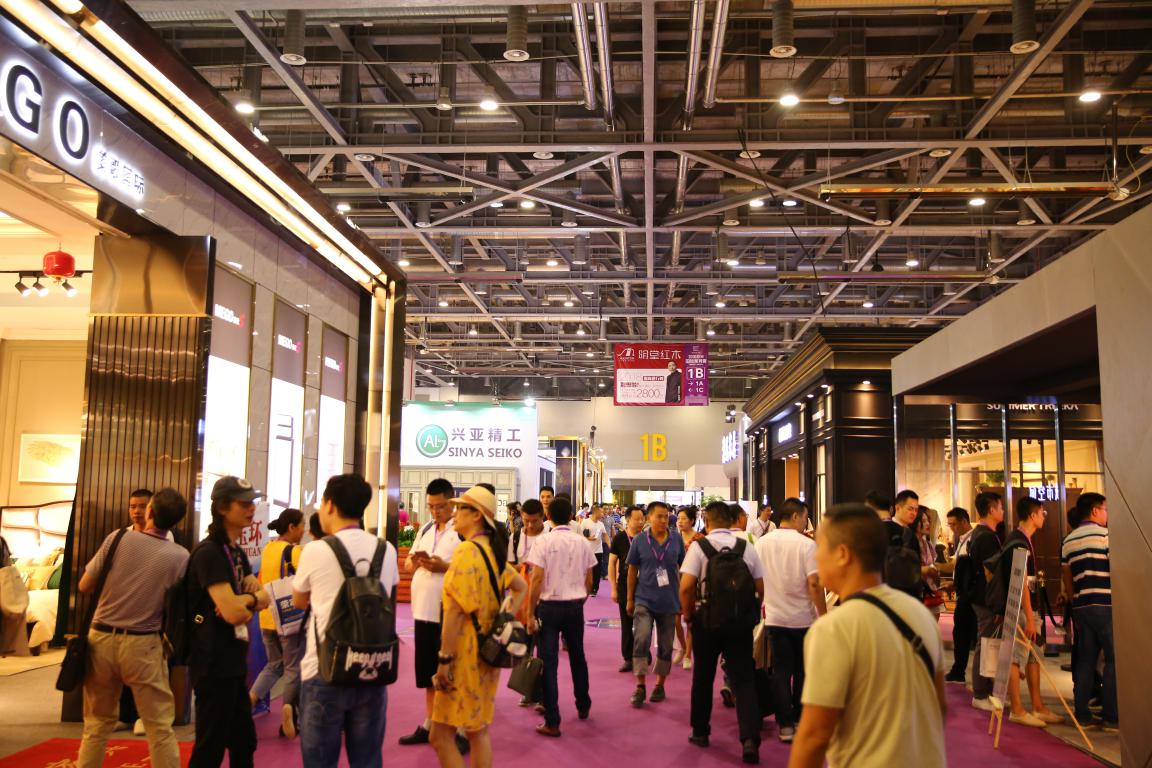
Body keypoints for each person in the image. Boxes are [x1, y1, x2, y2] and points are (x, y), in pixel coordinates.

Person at [789, 504, 946, 768]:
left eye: (820, 546)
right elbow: (939, 706)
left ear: (842, 554)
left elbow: (814, 737)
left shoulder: (834, 628)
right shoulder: (921, 615)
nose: (815, 556)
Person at [76, 488, 190, 768]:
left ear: (150, 511)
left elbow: (85, 585)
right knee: (159, 727)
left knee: (96, 724)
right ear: (176, 521)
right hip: (143, 644)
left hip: (101, 638)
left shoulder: (118, 538)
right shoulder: (180, 556)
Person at [291, 474, 399, 767]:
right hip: (372, 667)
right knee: (368, 760)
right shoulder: (386, 549)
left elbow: (299, 601)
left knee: (319, 761)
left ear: (329, 505)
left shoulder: (316, 549)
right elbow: (388, 598)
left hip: (324, 669)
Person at [429, 486, 527, 768]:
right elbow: (520, 586)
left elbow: (454, 612)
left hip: (464, 653)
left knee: (440, 736)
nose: (454, 514)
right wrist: (505, 614)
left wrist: (444, 660)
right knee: (477, 730)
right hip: (488, 650)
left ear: (477, 516)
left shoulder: (466, 551)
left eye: (461, 508)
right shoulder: (491, 552)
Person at [186, 476, 269, 768]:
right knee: (210, 747)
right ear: (222, 508)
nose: (251, 509)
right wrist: (249, 601)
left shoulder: (235, 552)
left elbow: (262, 597)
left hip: (233, 662)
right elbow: (235, 613)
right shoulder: (210, 553)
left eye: (252, 503)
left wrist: (245, 601)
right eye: (243, 504)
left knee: (244, 741)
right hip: (213, 664)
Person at [680, 500, 764, 764]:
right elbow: (760, 587)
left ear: (707, 521)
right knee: (744, 680)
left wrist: (689, 616)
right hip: (740, 624)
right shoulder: (746, 547)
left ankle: (700, 731)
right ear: (731, 520)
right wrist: (749, 612)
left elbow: (686, 587)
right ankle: (749, 739)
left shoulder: (699, 547)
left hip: (707, 622)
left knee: (703, 678)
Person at [396, 478, 468, 753]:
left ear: (452, 503)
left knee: (453, 672)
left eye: (440, 506)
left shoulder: (461, 532)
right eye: (431, 506)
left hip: (450, 613)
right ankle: (431, 724)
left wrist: (444, 567)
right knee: (428, 673)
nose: (435, 511)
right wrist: (414, 562)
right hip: (423, 611)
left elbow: (471, 569)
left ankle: (461, 729)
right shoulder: (425, 529)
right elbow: (408, 562)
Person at [755, 497, 827, 743]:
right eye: (805, 517)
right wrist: (823, 614)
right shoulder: (806, 545)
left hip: (775, 617)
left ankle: (784, 724)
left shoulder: (762, 544)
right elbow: (814, 583)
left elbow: (757, 581)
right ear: (795, 516)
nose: (806, 522)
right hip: (803, 619)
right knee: (802, 671)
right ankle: (798, 718)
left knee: (781, 671)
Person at [526, 497, 597, 737]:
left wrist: (530, 612)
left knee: (549, 663)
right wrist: (580, 600)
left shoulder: (543, 541)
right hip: (574, 606)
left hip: (548, 607)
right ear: (570, 516)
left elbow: (536, 579)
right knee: (578, 656)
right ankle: (583, 703)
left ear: (548, 517)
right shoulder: (582, 542)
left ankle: (553, 720)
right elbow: (589, 580)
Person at [1001, 496, 1063, 728]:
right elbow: (1021, 583)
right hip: (1020, 609)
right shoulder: (1018, 542)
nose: (1044, 517)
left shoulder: (1022, 539)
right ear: (1032, 515)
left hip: (1028, 609)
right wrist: (1028, 616)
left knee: (1033, 656)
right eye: (1042, 512)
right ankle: (1017, 709)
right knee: (1016, 657)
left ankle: (1038, 706)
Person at [1060, 492, 1117, 730]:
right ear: (1095, 510)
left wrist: (1075, 601)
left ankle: (1082, 715)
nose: (1107, 514)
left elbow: (1067, 577)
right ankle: (1111, 717)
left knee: (1085, 660)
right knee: (1113, 660)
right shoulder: (1106, 536)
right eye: (1105, 509)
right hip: (1106, 604)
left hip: (1082, 606)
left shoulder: (1068, 540)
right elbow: (1116, 570)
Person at [248, 508, 305, 738]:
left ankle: (251, 699)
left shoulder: (268, 548)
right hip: (289, 619)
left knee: (274, 665)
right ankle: (289, 713)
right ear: (291, 527)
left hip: (266, 617)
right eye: (301, 525)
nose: (303, 530)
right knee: (293, 668)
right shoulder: (294, 551)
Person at [626, 501, 684, 707]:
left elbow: (684, 569)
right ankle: (640, 686)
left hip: (669, 600)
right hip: (644, 598)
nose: (663, 520)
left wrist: (683, 597)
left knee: (666, 646)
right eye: (659, 516)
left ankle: (660, 684)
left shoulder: (676, 539)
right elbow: (632, 570)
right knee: (641, 638)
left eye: (666, 516)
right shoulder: (640, 540)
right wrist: (629, 599)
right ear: (649, 518)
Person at [968, 492, 1005, 712]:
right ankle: (980, 693)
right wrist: (997, 604)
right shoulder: (987, 537)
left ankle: (986, 691)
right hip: (986, 600)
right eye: (1000, 507)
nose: (1003, 511)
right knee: (986, 644)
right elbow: (991, 575)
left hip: (981, 598)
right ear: (991, 510)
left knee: (988, 643)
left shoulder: (979, 534)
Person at [510, 499, 546, 705]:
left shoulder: (549, 537)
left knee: (544, 648)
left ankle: (542, 695)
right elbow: (509, 566)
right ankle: (528, 690)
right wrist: (523, 567)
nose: (530, 525)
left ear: (542, 517)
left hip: (545, 599)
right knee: (524, 647)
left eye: (534, 521)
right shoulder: (515, 537)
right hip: (522, 600)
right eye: (526, 521)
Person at [938, 507, 975, 683]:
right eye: (949, 525)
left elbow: (958, 567)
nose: (952, 528)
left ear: (964, 521)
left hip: (969, 596)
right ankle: (959, 670)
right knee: (961, 634)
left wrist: (932, 566)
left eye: (953, 524)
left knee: (962, 634)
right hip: (964, 593)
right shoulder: (962, 539)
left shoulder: (972, 539)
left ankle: (959, 671)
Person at [609, 506, 645, 673]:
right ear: (628, 520)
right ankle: (628, 658)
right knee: (627, 622)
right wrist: (613, 588)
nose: (641, 522)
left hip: (645, 585)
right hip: (624, 585)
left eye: (642, 519)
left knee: (644, 623)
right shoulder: (619, 539)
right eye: (637, 519)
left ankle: (642, 653)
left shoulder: (647, 538)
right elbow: (611, 564)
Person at [674, 506, 702, 669]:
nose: (680, 521)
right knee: (675, 620)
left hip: (693, 584)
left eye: (684, 518)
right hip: (674, 584)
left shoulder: (700, 539)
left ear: (692, 520)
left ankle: (688, 655)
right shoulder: (673, 537)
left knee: (690, 619)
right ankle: (683, 647)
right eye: (678, 518)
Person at [912, 507, 943, 621]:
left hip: (931, 591)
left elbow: (933, 564)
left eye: (928, 520)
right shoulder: (910, 543)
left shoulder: (927, 543)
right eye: (924, 521)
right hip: (917, 593)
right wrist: (926, 570)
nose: (928, 524)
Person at [580, 505, 609, 596]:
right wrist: (588, 538)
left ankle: (594, 589)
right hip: (587, 551)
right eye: (601, 512)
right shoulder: (585, 522)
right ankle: (585, 587)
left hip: (598, 550)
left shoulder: (601, 524)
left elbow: (605, 535)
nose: (602, 514)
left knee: (597, 571)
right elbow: (580, 535)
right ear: (595, 512)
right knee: (587, 570)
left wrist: (610, 545)